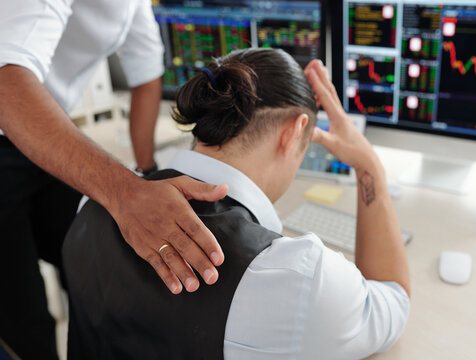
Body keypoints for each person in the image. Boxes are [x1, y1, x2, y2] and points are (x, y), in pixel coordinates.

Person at [63, 48, 411, 359]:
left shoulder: (94, 201)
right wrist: (369, 166)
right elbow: (393, 301)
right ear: (294, 131)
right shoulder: (297, 278)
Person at [0, 1, 228, 359]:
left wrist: (147, 171)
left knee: (97, 265)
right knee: (24, 318)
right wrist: (127, 191)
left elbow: (146, 71)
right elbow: (5, 82)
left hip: (41, 134)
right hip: (12, 119)